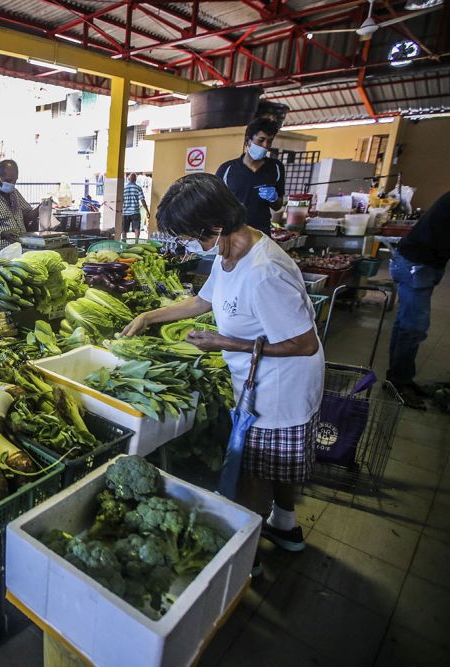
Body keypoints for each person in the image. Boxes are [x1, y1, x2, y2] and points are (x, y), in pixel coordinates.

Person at [124, 173, 324, 574]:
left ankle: (242, 559)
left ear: (213, 227)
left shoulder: (264, 271)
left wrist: (224, 344)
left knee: (252, 471)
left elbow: (304, 343)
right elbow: (202, 301)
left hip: (280, 386)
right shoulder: (228, 252)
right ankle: (285, 527)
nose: (184, 243)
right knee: (278, 465)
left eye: (186, 235)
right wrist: (149, 316)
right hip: (256, 377)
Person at [386, 179, 450, 408]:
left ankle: (399, 379)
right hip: (414, 262)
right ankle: (399, 383)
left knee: (406, 326)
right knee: (414, 326)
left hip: (427, 262)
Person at [216, 118, 285, 236]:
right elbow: (214, 204)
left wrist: (274, 198)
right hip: (233, 233)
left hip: (261, 233)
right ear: (248, 141)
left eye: (269, 141)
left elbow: (277, 205)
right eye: (261, 140)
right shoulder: (227, 169)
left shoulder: (276, 168)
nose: (265, 146)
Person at [122, 173, 150, 241]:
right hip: (135, 212)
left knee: (124, 229)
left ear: (129, 179)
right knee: (136, 228)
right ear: (135, 179)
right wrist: (147, 211)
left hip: (125, 212)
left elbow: (121, 200)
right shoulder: (138, 188)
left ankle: (124, 243)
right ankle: (136, 242)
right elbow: (142, 200)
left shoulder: (124, 188)